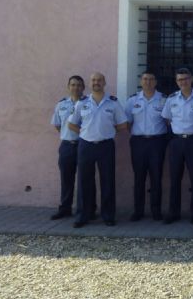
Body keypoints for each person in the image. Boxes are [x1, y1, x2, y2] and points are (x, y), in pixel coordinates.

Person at [68, 72, 128, 228]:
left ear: (105, 82)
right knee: (84, 181)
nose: (96, 82)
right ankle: (83, 215)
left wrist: (109, 131)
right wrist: (84, 131)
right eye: (94, 80)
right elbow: (71, 124)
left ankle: (108, 215)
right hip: (85, 145)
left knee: (107, 180)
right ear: (90, 83)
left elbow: (123, 124)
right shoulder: (82, 102)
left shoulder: (113, 103)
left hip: (105, 145)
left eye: (99, 80)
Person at [161, 68, 193, 225]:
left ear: (191, 79)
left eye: (186, 79)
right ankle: (174, 212)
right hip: (176, 142)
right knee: (175, 179)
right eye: (180, 80)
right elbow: (167, 119)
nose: (183, 82)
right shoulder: (171, 99)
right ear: (176, 82)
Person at [125, 71, 168, 222]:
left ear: (155, 82)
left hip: (157, 142)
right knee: (139, 178)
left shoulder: (163, 99)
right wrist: (140, 135)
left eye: (151, 79)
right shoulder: (132, 100)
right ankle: (138, 211)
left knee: (156, 177)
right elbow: (128, 123)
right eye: (145, 79)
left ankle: (156, 210)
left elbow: (168, 121)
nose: (148, 82)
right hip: (138, 142)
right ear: (141, 81)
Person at [50, 75, 86, 220]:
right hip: (66, 145)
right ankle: (65, 208)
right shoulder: (61, 104)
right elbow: (58, 125)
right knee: (66, 178)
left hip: (83, 145)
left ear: (83, 88)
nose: (75, 87)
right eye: (73, 84)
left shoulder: (88, 103)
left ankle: (86, 209)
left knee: (85, 179)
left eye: (78, 85)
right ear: (68, 87)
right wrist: (68, 136)